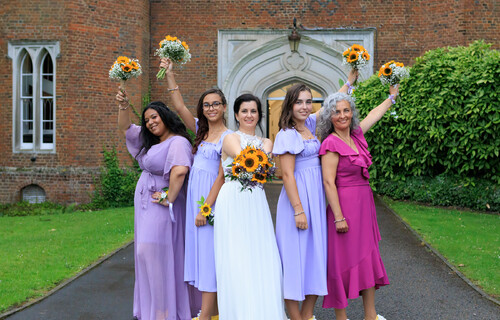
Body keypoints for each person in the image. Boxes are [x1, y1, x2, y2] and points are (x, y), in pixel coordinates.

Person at [272, 72, 357, 320]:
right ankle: (295, 316)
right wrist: (298, 210)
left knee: (316, 257)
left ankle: (308, 314)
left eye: (308, 101)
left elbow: (334, 99)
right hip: (297, 203)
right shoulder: (287, 134)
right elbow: (287, 176)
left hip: (317, 201)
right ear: (290, 105)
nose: (304, 106)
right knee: (294, 259)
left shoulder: (310, 125)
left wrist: (350, 80)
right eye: (299, 101)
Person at [317, 85, 399, 320]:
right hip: (344, 208)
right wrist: (339, 216)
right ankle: (341, 317)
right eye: (336, 112)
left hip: (364, 206)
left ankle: (370, 315)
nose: (342, 115)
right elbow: (328, 183)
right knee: (341, 262)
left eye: (346, 110)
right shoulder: (330, 143)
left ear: (351, 112)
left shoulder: (356, 136)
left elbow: (373, 115)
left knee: (368, 257)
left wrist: (391, 97)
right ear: (329, 117)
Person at [160, 58, 232, 320]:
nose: (211, 108)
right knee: (202, 255)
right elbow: (178, 106)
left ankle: (207, 315)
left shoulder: (229, 137)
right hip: (195, 202)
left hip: (211, 204)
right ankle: (212, 313)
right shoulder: (201, 132)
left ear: (224, 107)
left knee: (211, 256)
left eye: (215, 104)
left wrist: (206, 207)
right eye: (206, 105)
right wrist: (170, 74)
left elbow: (222, 177)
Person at [116, 89, 197, 320]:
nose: (151, 122)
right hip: (146, 207)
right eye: (147, 119)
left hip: (162, 208)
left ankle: (163, 313)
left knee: (153, 255)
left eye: (154, 117)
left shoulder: (177, 142)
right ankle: (155, 311)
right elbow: (126, 128)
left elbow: (180, 170)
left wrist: (168, 197)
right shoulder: (154, 142)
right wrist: (123, 106)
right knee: (146, 256)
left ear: (165, 116)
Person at [213, 94, 286, 319]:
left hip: (255, 200)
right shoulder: (228, 138)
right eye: (244, 111)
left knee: (261, 254)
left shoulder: (267, 143)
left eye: (253, 111)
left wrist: (261, 163)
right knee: (236, 257)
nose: (249, 115)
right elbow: (244, 157)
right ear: (236, 114)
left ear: (259, 115)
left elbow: (260, 165)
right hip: (232, 199)